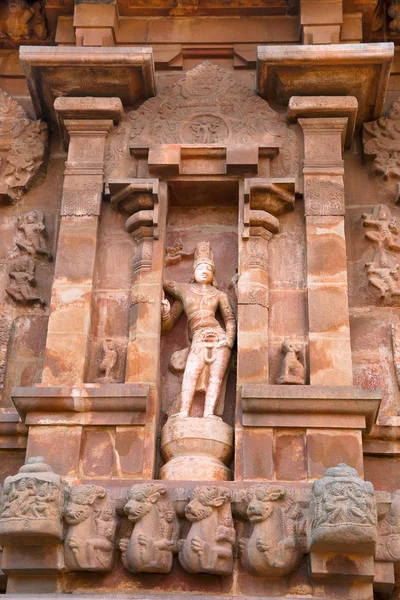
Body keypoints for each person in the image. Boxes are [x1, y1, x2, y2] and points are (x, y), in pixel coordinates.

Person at [161, 241, 236, 418]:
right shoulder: (184, 291)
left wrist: (229, 339)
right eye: (200, 267)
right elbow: (160, 282)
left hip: (218, 337)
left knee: (215, 379)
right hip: (199, 337)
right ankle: (183, 412)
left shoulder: (219, 295)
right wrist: (167, 260)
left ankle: (209, 414)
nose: (204, 270)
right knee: (190, 374)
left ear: (214, 275)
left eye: (208, 268)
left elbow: (230, 319)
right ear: (193, 272)